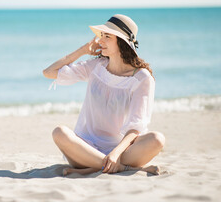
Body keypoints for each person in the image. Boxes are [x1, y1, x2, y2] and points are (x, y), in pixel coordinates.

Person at [43, 14, 165, 176]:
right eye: (101, 36)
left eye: (107, 36)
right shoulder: (97, 66)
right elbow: (49, 72)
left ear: (122, 42)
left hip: (121, 151)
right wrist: (83, 50)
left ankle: (98, 167)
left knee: (157, 139)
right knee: (59, 132)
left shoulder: (142, 78)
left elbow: (136, 126)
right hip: (84, 149)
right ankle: (121, 168)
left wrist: (115, 154)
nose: (100, 40)